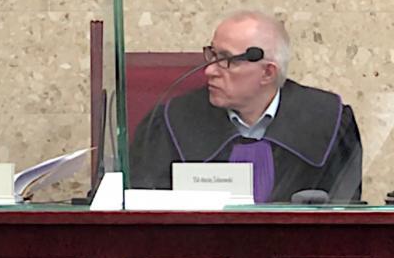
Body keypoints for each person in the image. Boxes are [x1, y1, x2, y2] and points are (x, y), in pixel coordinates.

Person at [130, 11, 362, 203]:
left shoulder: (328, 122)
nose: (209, 70)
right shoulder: (172, 121)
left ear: (267, 73)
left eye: (226, 60)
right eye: (212, 55)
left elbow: (344, 218)